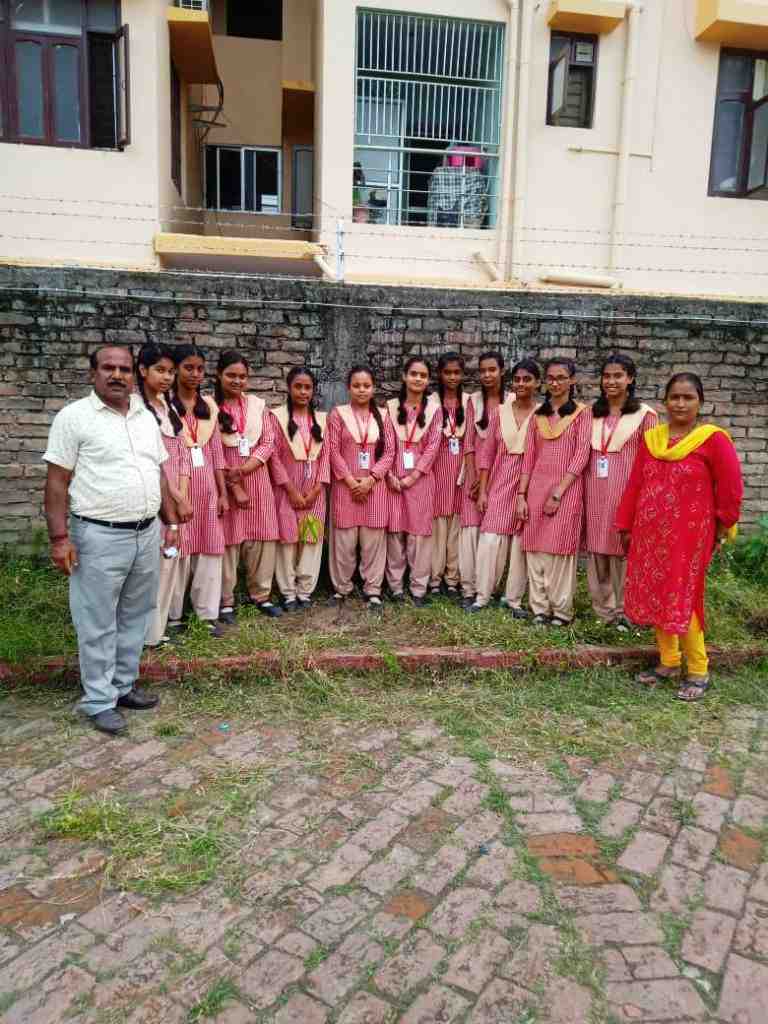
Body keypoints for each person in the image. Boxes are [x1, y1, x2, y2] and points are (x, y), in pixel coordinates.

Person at [43, 345, 178, 735]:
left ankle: (122, 687)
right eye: (108, 368)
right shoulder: (74, 418)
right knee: (97, 621)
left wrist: (170, 521)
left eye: (123, 369)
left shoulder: (144, 417)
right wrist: (59, 538)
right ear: (92, 373)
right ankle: (99, 700)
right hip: (98, 537)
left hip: (145, 533)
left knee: (135, 616)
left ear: (133, 374)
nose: (116, 375)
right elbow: (56, 482)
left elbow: (160, 473)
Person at [616, 372, 743, 701]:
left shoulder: (713, 440)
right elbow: (635, 484)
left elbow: (730, 488)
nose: (681, 403)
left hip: (690, 536)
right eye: (675, 397)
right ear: (665, 401)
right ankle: (669, 661)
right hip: (650, 534)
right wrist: (625, 526)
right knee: (659, 591)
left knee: (684, 597)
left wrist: (722, 526)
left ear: (700, 401)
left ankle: (698, 669)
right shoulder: (653, 439)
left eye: (688, 397)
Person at [584, 354, 657, 630]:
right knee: (598, 550)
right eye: (607, 376)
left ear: (630, 379)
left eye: (618, 376)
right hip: (595, 491)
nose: (611, 381)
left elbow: (651, 460)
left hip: (626, 492)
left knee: (623, 550)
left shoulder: (644, 415)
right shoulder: (591, 413)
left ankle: (628, 610)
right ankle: (603, 610)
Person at [516, 358, 591, 626]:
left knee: (559, 550)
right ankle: (539, 608)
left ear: (572, 381)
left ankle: (561, 611)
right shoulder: (539, 414)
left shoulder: (582, 414)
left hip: (566, 490)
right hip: (536, 488)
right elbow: (528, 458)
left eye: (561, 377)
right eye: (551, 378)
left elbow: (582, 455)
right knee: (534, 548)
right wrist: (521, 495)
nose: (555, 382)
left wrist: (558, 493)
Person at [215, 349, 282, 621]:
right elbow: (212, 448)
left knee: (262, 535)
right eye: (231, 375)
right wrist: (233, 482)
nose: (237, 381)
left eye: (242, 376)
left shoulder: (257, 405)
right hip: (223, 479)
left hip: (256, 476)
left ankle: (261, 595)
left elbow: (268, 442)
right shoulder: (208, 406)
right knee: (229, 538)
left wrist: (243, 469)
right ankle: (225, 600)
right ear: (219, 375)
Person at [167, 344, 229, 638]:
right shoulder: (165, 407)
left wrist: (223, 492)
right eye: (188, 368)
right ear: (176, 370)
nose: (195, 374)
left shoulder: (209, 408)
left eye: (200, 369)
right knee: (180, 549)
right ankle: (174, 615)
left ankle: (206, 613)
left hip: (206, 490)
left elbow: (217, 453)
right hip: (179, 487)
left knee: (209, 548)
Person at [472, 358, 541, 615]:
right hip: (500, 481)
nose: (522, 383)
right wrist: (482, 490)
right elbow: (487, 454)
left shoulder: (541, 414)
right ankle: (482, 595)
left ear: (537, 383)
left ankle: (513, 600)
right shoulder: (500, 411)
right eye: (518, 379)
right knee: (490, 539)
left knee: (520, 541)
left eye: (528, 379)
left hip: (530, 484)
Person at [137, 343, 194, 649]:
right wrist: (173, 496)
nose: (167, 377)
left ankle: (158, 631)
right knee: (154, 568)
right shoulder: (136, 409)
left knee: (170, 561)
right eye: (160, 370)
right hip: (155, 497)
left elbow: (183, 455)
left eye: (171, 371)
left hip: (176, 499)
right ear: (143, 370)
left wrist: (183, 494)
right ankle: (147, 635)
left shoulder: (167, 406)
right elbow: (153, 461)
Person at [327, 366, 395, 611]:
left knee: (373, 541)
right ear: (348, 388)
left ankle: (373, 589)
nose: (361, 390)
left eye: (366, 385)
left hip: (374, 487)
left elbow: (389, 453)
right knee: (343, 541)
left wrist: (371, 479)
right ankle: (341, 588)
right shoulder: (338, 414)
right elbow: (332, 451)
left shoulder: (384, 415)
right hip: (346, 487)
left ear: (373, 387)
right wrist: (350, 480)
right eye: (356, 385)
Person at [270, 366, 330, 612]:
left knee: (310, 540)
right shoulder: (277, 418)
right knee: (287, 540)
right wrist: (291, 490)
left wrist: (317, 489)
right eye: (298, 386)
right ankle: (287, 592)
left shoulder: (323, 420)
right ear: (289, 387)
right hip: (287, 492)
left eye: (308, 387)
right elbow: (273, 456)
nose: (303, 392)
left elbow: (326, 456)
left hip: (314, 494)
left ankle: (305, 591)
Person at [385, 357, 443, 607]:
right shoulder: (389, 408)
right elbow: (385, 445)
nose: (418, 379)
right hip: (393, 480)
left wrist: (412, 477)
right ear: (404, 377)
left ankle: (418, 588)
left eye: (423, 375)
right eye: (413, 374)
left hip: (420, 480)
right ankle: (396, 588)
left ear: (428, 380)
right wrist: (389, 475)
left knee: (419, 536)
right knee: (396, 533)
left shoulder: (434, 411)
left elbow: (432, 448)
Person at [460, 351, 509, 608]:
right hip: (473, 476)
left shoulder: (511, 401)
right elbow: (468, 442)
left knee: (494, 534)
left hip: (500, 475)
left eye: (492, 370)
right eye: (483, 371)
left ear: (502, 371)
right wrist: (473, 478)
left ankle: (491, 587)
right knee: (470, 529)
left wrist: (487, 482)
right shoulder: (474, 401)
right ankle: (469, 588)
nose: (487, 375)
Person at [429, 352, 470, 599]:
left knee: (456, 527)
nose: (452, 377)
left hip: (460, 473)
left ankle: (452, 579)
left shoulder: (469, 402)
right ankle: (434, 579)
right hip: (437, 471)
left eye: (456, 372)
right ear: (440, 374)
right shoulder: (431, 401)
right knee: (437, 528)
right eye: (447, 372)